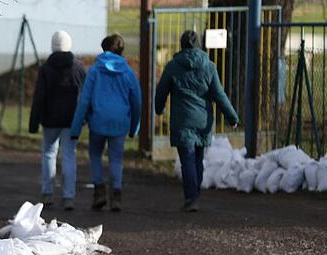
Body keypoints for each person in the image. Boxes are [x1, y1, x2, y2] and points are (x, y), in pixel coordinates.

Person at [154, 30, 239, 212]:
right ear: (199, 45)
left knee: (187, 160)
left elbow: (161, 91)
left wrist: (159, 109)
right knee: (197, 159)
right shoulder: (209, 66)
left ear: (182, 44)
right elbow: (219, 95)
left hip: (182, 120)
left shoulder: (173, 66)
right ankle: (195, 194)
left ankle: (191, 198)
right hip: (203, 121)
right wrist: (232, 117)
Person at [69, 34, 141, 212]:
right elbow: (137, 101)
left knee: (95, 155)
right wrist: (135, 127)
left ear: (104, 49)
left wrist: (76, 128)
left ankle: (99, 192)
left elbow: (84, 100)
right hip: (120, 122)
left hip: (98, 121)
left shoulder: (95, 70)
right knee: (116, 159)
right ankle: (116, 196)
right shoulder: (128, 72)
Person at [29, 30, 86, 211]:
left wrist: (33, 121)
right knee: (69, 155)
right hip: (72, 120)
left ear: (52, 45)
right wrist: (84, 118)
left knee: (48, 154)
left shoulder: (45, 68)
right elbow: (85, 95)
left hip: (50, 119)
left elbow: (39, 97)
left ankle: (47, 193)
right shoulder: (78, 67)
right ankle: (69, 197)